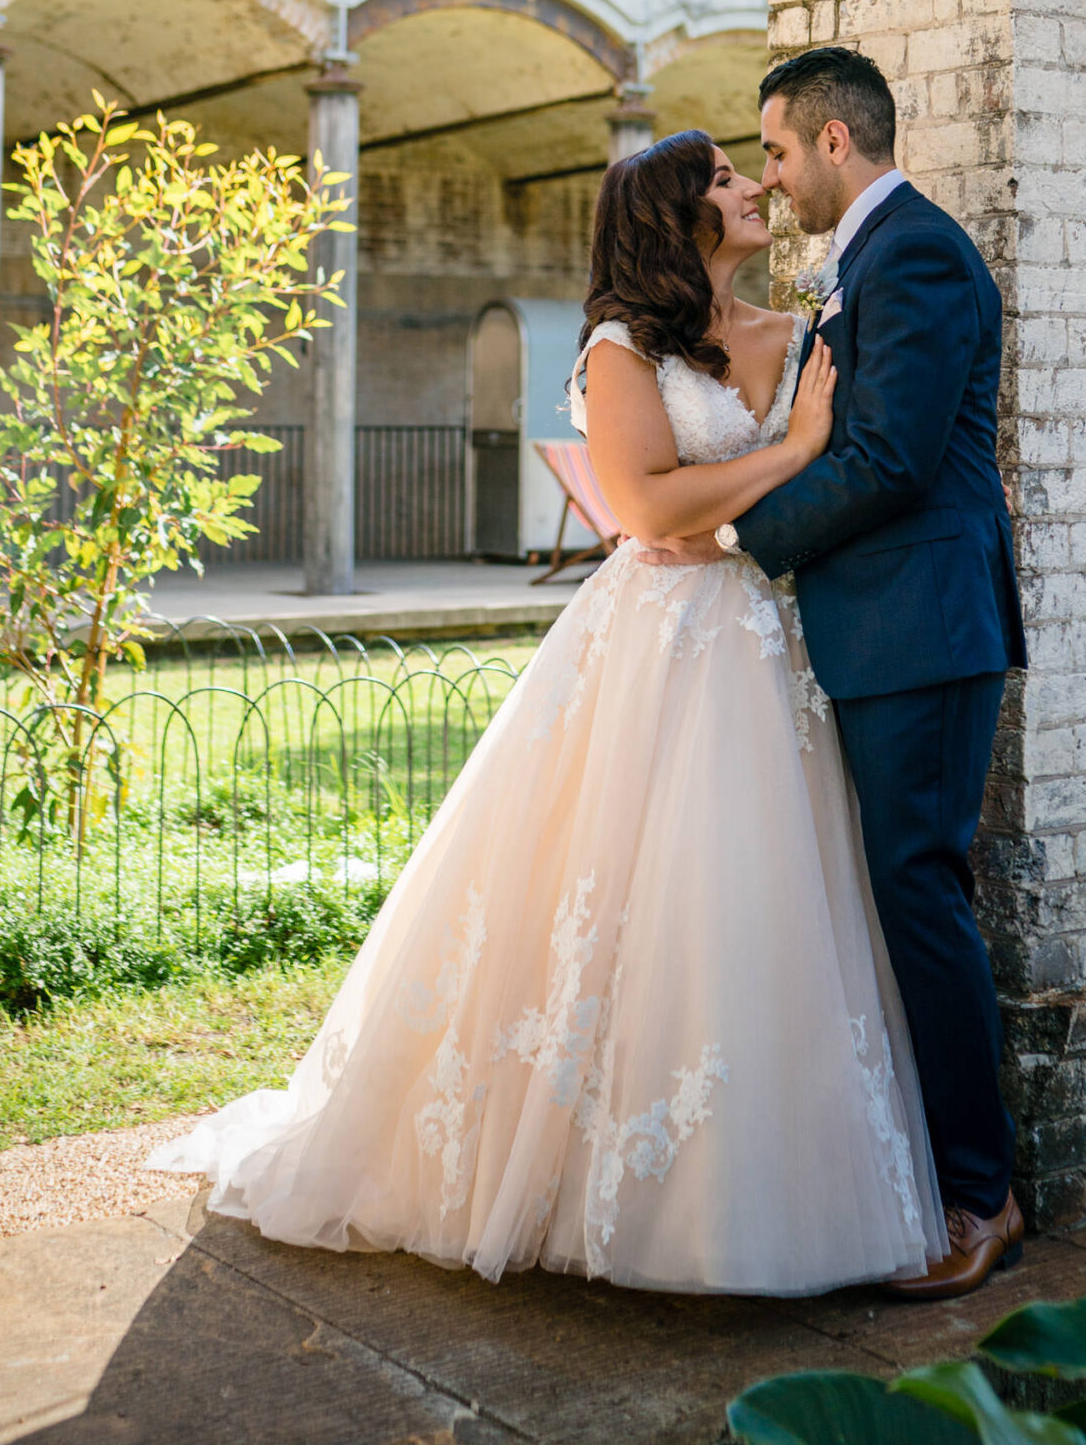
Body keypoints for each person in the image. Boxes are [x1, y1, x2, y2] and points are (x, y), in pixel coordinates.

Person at [151, 129, 946, 1295]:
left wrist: (817, 445)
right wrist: (800, 449)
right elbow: (649, 509)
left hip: (766, 649)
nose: (751, 189)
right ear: (675, 219)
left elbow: (832, 478)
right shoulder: (622, 349)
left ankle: (763, 1196)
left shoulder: (799, 333)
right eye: (724, 180)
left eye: (746, 168)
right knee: (608, 897)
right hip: (655, 643)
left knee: (755, 906)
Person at [720, 45, 1026, 1301]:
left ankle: (982, 1198)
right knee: (900, 894)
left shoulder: (920, 256)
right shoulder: (868, 260)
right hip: (888, 630)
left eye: (781, 151)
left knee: (921, 896)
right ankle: (947, 1173)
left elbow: (896, 456)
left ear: (836, 143)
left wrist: (750, 538)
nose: (777, 178)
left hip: (927, 633)